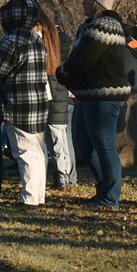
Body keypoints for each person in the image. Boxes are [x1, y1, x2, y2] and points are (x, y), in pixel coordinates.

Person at [56, 0, 131, 209]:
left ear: (97, 1)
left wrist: (62, 71)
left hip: (104, 95)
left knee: (104, 145)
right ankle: (104, 189)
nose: (83, 2)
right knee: (84, 144)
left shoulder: (105, 26)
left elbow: (83, 60)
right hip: (89, 95)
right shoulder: (92, 26)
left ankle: (110, 196)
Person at [0, 0, 49, 207]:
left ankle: (30, 198)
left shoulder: (12, 40)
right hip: (37, 103)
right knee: (37, 152)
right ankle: (38, 195)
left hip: (17, 103)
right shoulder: (36, 38)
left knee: (24, 152)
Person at [40, 10, 76, 191]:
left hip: (54, 102)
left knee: (57, 142)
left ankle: (62, 177)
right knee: (60, 141)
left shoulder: (50, 65)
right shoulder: (61, 62)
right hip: (60, 100)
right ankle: (64, 177)